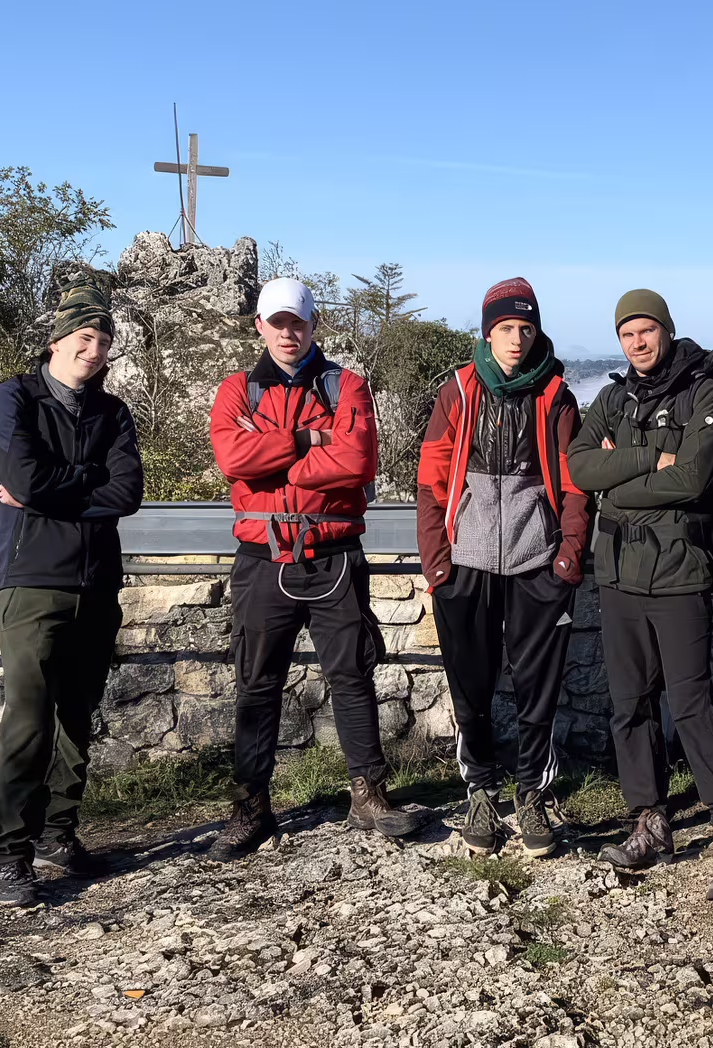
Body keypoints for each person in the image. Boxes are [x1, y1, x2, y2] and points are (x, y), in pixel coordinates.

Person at [205, 277, 417, 860]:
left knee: (352, 677)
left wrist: (276, 456)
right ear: (259, 326)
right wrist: (309, 438)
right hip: (262, 557)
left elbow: (357, 460)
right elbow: (232, 458)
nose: (287, 333)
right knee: (256, 684)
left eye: (296, 322)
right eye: (277, 323)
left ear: (313, 324)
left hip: (334, 554)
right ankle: (250, 809)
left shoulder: (347, 384)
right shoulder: (236, 389)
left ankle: (369, 797)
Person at [566, 288, 713, 901]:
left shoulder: (706, 393)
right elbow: (579, 469)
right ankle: (650, 822)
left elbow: (696, 477)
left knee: (692, 704)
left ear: (667, 330)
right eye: (627, 334)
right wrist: (653, 456)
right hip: (619, 573)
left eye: (646, 330)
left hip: (679, 572)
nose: (637, 342)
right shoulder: (612, 397)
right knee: (630, 704)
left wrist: (618, 483)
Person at [0, 274, 144, 906]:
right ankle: (8, 856)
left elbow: (126, 493)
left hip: (97, 582)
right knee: (27, 719)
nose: (94, 351)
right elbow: (22, 477)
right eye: (84, 337)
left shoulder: (113, 413)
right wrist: (86, 482)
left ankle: (57, 836)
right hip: (30, 581)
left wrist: (56, 487)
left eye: (103, 341)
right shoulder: (14, 398)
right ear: (56, 340)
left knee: (77, 716)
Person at [416, 278, 589, 857]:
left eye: (526, 328)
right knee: (470, 686)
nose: (517, 338)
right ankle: (481, 792)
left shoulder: (556, 396)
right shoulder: (459, 391)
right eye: (506, 327)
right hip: (465, 563)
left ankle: (532, 794)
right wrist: (437, 563)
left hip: (537, 561)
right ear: (487, 332)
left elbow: (575, 485)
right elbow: (431, 479)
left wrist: (567, 557)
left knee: (538, 688)